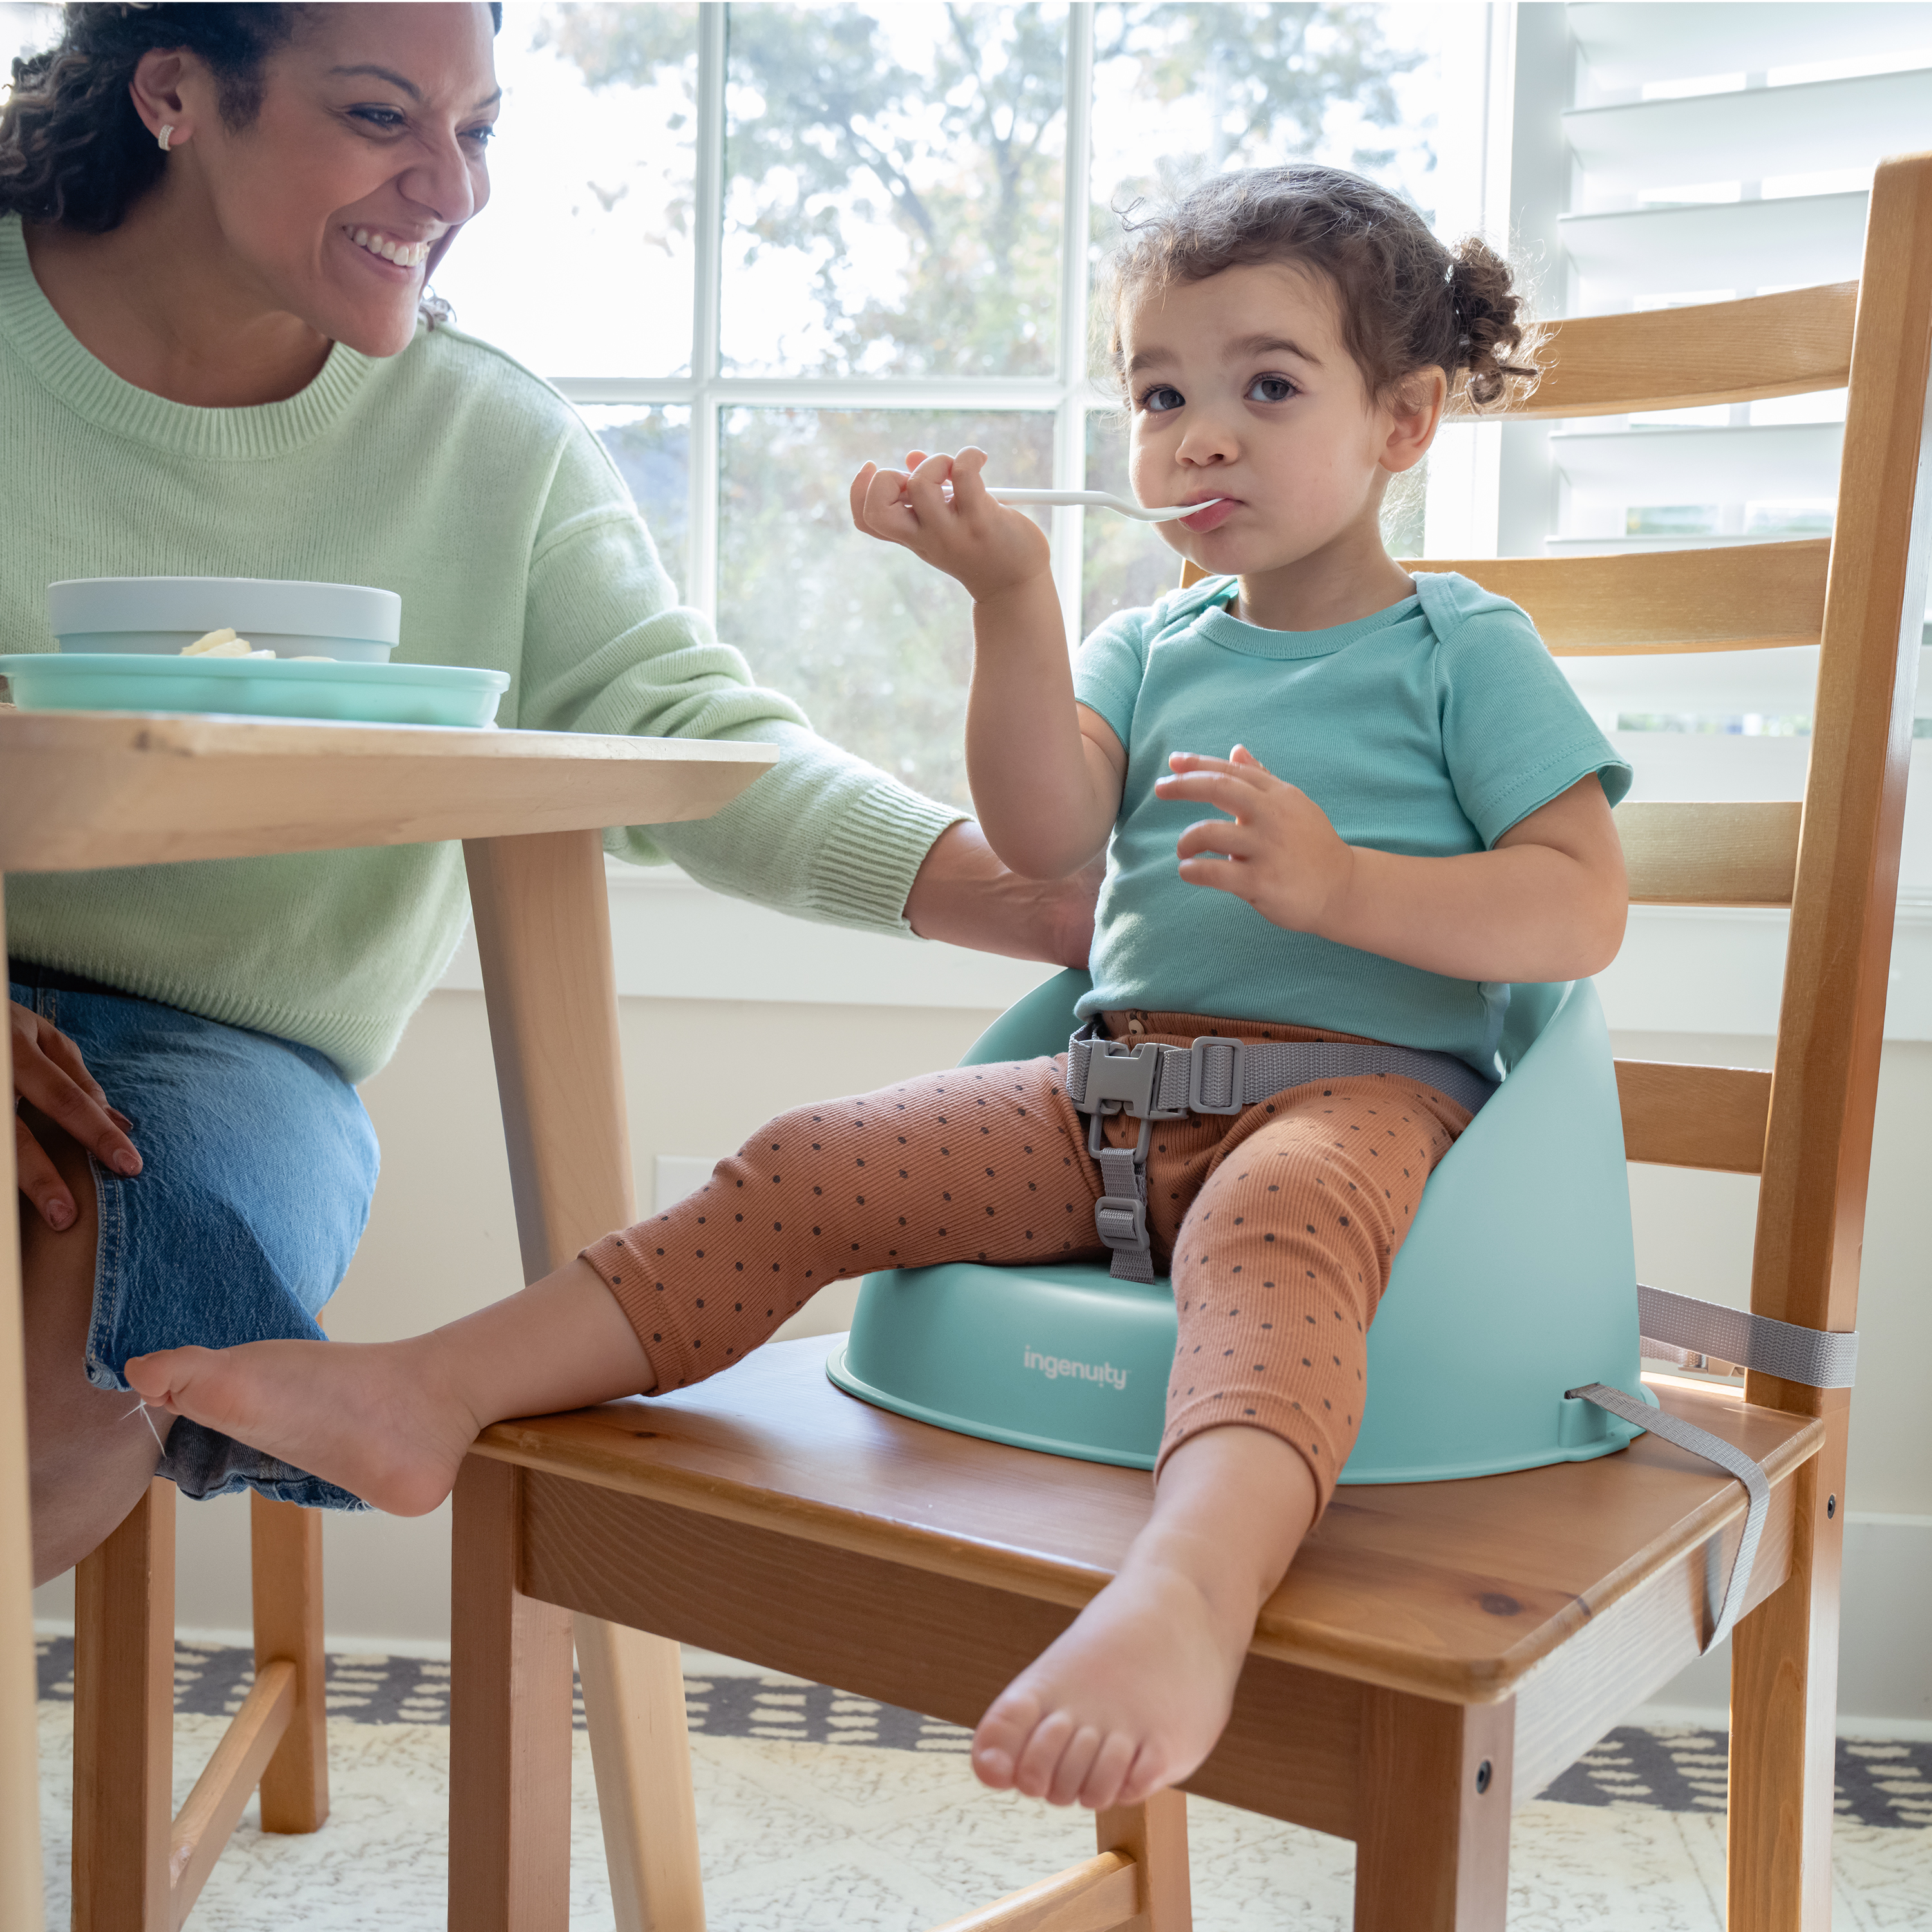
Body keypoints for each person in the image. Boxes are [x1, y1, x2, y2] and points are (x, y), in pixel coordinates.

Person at [129, 163, 1633, 1810]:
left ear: (1404, 420)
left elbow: (1580, 910)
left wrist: (1345, 888)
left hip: (1357, 1106)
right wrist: (1011, 599)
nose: (1202, 437)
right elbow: (1043, 834)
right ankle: (435, 1389)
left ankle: (1189, 1596)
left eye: (1267, 388)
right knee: (808, 1163)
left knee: (1271, 1239)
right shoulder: (1151, 648)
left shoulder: (1461, 649)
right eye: (1160, 396)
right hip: (1110, 1097)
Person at [4, 1, 1093, 1587]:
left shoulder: (485, 440)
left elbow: (678, 725)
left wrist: (1024, 896)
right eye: (381, 117)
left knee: (56, 1345)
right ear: (175, 92)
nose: (452, 187)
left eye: (478, 130)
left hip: (225, 1059)